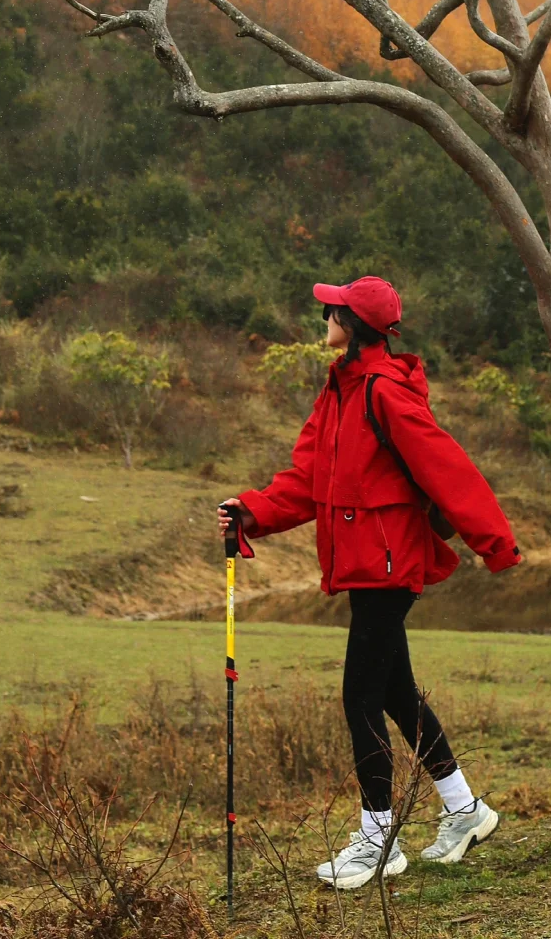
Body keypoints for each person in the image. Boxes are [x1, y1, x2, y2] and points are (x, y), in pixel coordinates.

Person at [217, 276, 521, 891]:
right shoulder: (338, 391)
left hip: (390, 564)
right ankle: (465, 811)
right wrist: (251, 512)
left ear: (352, 322)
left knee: (360, 696)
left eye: (331, 309)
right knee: (394, 693)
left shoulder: (384, 391)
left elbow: (447, 466)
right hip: (362, 564)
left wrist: (496, 543)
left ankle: (378, 841)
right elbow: (307, 478)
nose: (322, 315)